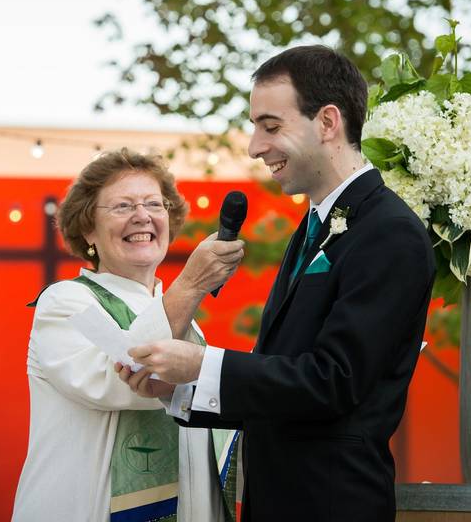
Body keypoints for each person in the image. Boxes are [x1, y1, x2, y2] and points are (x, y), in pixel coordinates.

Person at [121, 46, 436, 521]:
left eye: (270, 126)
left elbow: (333, 382)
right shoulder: (312, 226)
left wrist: (203, 364)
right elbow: (284, 376)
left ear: (328, 122)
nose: (253, 146)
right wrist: (178, 388)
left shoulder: (390, 231)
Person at [12, 149, 245, 522]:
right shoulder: (65, 302)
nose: (142, 215)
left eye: (154, 203)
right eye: (122, 206)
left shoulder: (183, 320)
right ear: (87, 228)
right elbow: (124, 379)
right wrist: (192, 283)